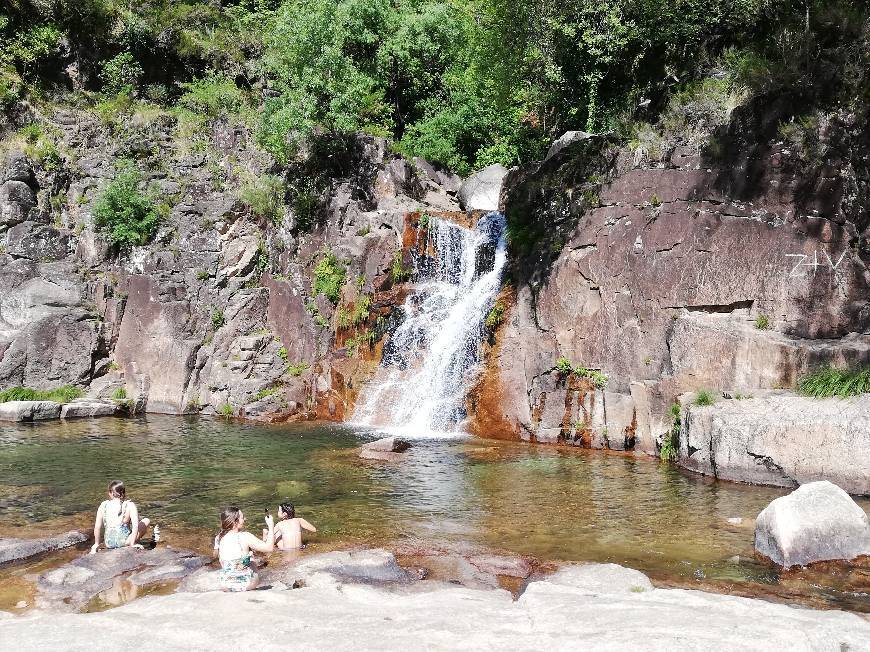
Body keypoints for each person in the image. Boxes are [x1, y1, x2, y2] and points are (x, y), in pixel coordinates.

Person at [214, 506, 275, 591]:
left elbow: (219, 560)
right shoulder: (245, 536)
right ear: (235, 521)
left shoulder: (219, 538)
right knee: (252, 560)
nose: (245, 519)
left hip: (225, 585)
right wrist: (271, 526)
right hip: (247, 584)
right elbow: (269, 548)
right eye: (242, 517)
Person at [90, 480, 153, 554]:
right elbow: (135, 526)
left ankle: (131, 541)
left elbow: (97, 527)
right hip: (124, 542)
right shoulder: (129, 505)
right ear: (123, 492)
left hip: (108, 543)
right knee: (146, 520)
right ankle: (134, 541)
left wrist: (96, 543)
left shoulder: (103, 505)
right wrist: (132, 544)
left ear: (111, 493)